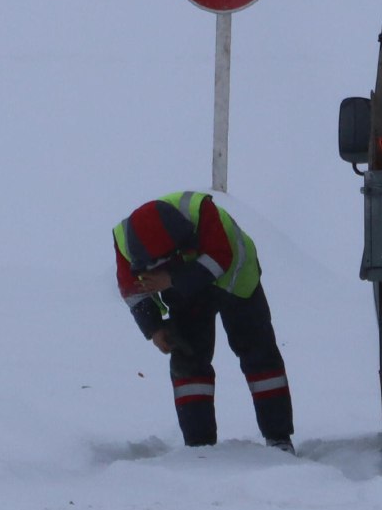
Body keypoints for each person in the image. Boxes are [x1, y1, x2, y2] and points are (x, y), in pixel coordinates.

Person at [112, 193, 295, 451]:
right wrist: (154, 328)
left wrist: (171, 279)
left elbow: (221, 258)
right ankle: (198, 447)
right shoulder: (125, 243)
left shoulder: (203, 212)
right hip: (186, 293)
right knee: (188, 361)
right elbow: (133, 291)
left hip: (237, 282)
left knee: (260, 356)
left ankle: (278, 438)